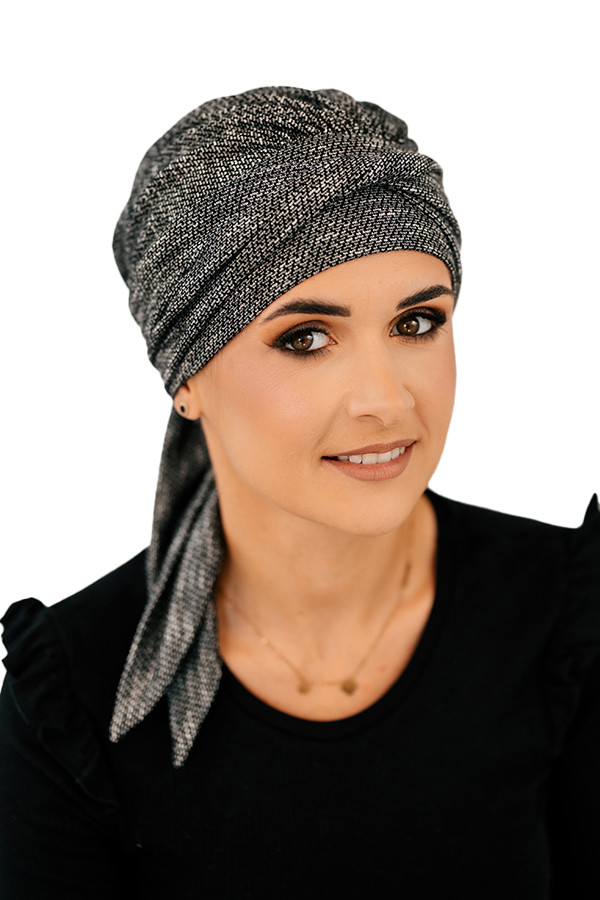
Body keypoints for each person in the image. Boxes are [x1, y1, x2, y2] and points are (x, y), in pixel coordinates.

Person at [0, 86, 598, 899]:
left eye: (416, 324)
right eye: (307, 338)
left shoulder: (565, 614)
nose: (386, 400)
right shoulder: (78, 696)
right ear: (187, 379)